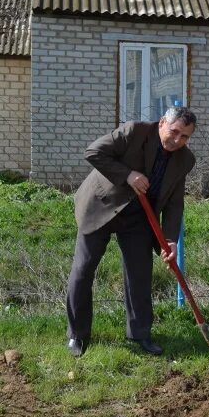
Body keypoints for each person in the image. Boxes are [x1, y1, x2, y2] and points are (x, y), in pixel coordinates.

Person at [65, 107, 197, 357]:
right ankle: (77, 335)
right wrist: (128, 175)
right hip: (101, 205)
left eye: (185, 137)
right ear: (162, 124)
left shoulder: (185, 160)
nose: (177, 140)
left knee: (140, 274)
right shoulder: (134, 132)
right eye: (174, 132)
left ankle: (140, 334)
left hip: (139, 217)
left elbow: (174, 203)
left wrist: (170, 240)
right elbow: (93, 152)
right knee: (83, 270)